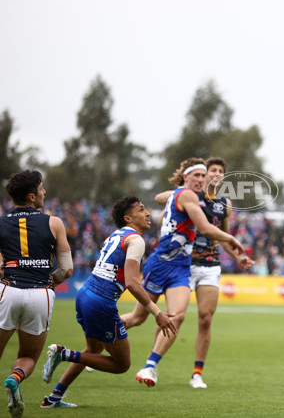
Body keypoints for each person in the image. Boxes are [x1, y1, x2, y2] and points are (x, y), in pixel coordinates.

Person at [38, 195, 178, 408]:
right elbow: (132, 282)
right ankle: (64, 353)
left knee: (92, 350)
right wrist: (157, 313)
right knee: (122, 365)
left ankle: (54, 398)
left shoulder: (117, 234)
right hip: (101, 303)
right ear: (128, 218)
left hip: (85, 295)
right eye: (141, 210)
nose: (148, 213)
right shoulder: (136, 240)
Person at [119, 157, 244, 387]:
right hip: (163, 263)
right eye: (202, 173)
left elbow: (211, 229)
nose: (207, 176)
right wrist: (232, 237)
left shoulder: (216, 202)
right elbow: (205, 227)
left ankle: (151, 366)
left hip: (184, 266)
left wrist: (236, 253)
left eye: (207, 173)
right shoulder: (186, 195)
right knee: (138, 318)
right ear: (188, 177)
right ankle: (97, 339)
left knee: (178, 316)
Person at [152, 157, 254, 388]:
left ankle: (197, 373)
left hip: (210, 264)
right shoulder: (190, 195)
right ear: (203, 174)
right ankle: (152, 364)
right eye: (212, 170)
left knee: (206, 319)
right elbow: (159, 198)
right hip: (183, 264)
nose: (216, 174)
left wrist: (239, 256)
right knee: (170, 317)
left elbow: (222, 236)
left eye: (220, 171)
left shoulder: (224, 204)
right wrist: (177, 192)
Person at [0, 170, 73, 418]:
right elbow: (67, 269)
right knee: (29, 355)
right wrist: (50, 279)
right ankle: (14, 378)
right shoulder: (54, 222)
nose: (45, 192)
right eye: (42, 189)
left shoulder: (0, 222)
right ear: (32, 196)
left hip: (8, 291)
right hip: (40, 294)